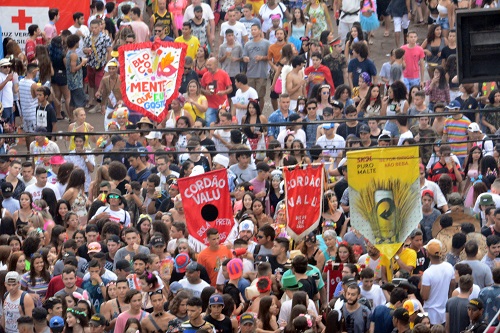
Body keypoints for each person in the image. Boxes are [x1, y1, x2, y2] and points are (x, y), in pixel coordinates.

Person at [421, 239, 455, 325]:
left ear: (428, 254)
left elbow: (425, 296)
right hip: (444, 313)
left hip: (431, 315)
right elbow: (453, 286)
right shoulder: (449, 267)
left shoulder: (427, 273)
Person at [83, 19, 112, 113]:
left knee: (99, 84)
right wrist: (86, 50)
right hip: (90, 64)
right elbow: (83, 49)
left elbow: (109, 50)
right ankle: (96, 102)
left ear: (100, 27)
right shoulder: (87, 37)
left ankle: (99, 104)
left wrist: (108, 63)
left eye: (96, 27)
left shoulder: (105, 38)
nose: (94, 29)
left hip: (101, 64)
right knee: (91, 84)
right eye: (92, 28)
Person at [242, 24, 270, 111]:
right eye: (252, 30)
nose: (253, 31)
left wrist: (262, 58)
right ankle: (251, 112)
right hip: (250, 73)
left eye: (255, 30)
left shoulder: (266, 43)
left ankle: (259, 112)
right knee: (250, 96)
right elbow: (244, 56)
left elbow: (270, 56)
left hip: (261, 73)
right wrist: (245, 58)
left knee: (260, 95)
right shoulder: (248, 44)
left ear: (259, 30)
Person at [200, 58, 233, 126]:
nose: (208, 67)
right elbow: (201, 88)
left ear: (216, 65)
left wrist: (223, 92)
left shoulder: (224, 74)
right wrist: (205, 92)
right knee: (210, 125)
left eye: (210, 65)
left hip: (222, 105)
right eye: (207, 65)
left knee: (224, 124)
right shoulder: (205, 75)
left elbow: (230, 88)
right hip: (210, 105)